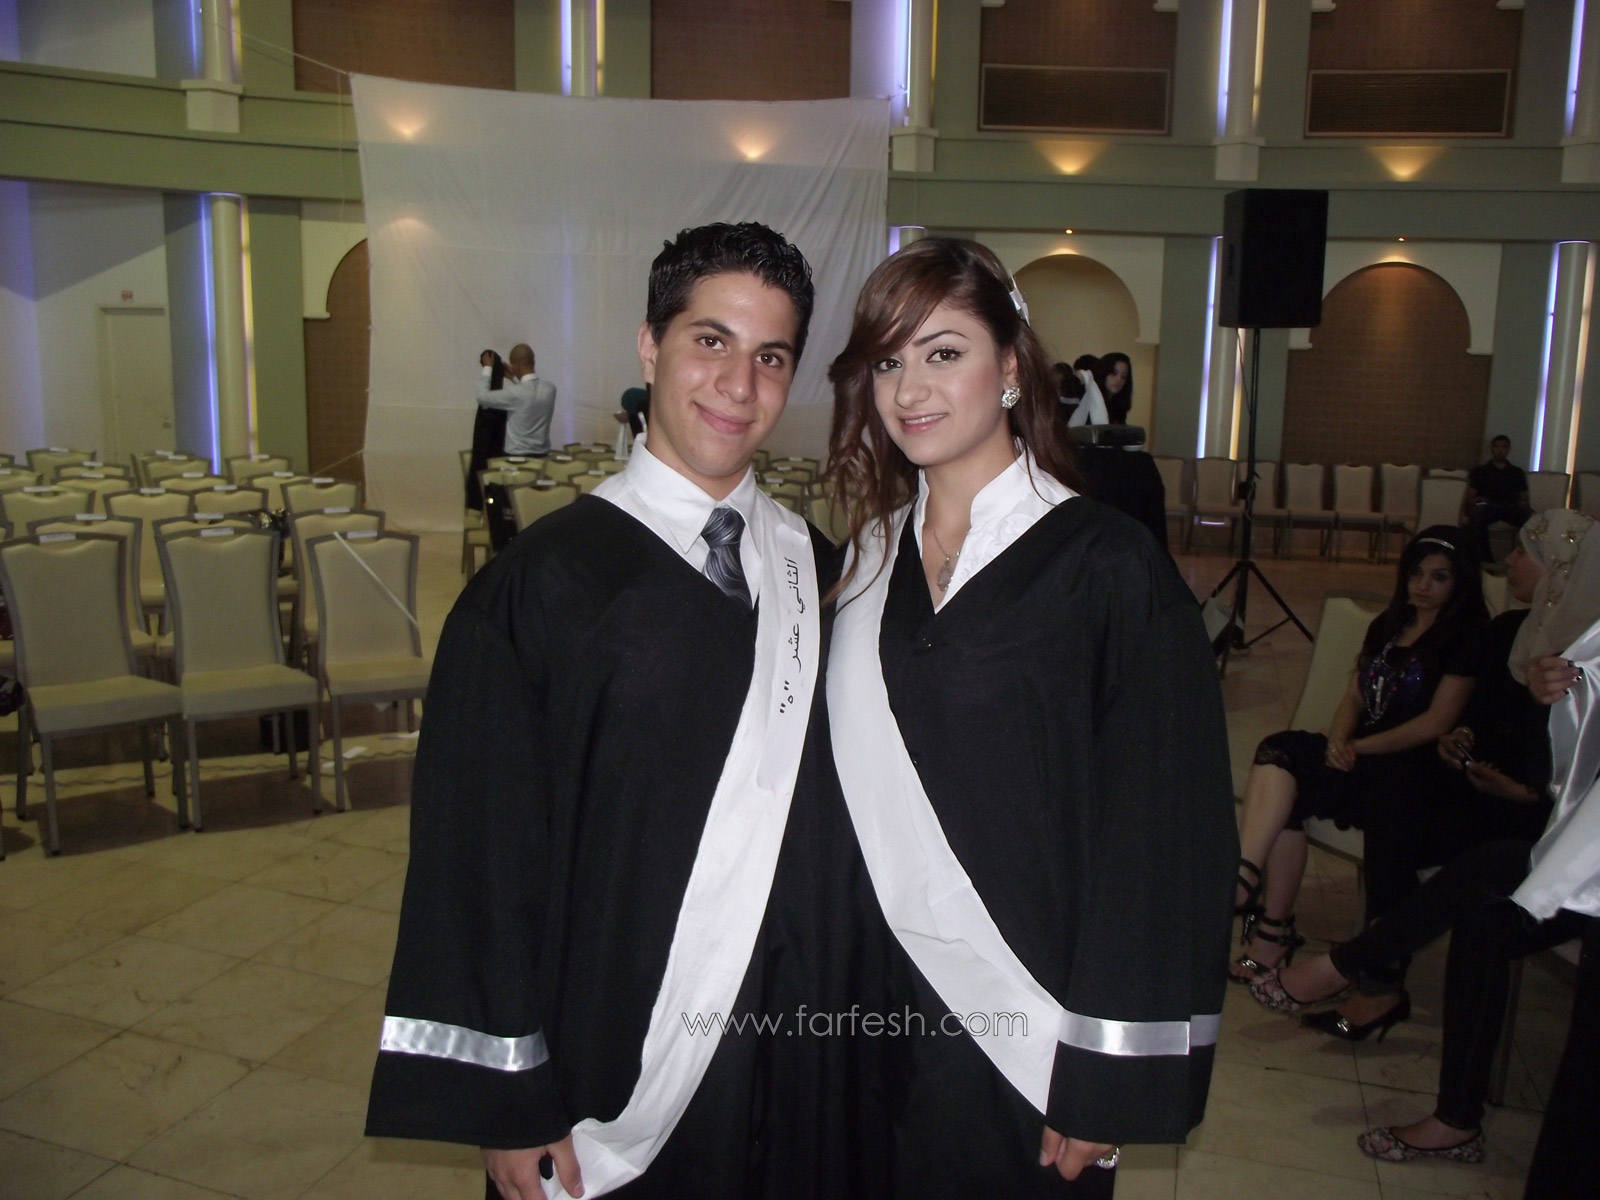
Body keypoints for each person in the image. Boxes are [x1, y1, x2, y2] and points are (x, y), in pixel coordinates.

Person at [368, 223, 892, 1200]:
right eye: (710, 341)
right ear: (650, 346)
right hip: (609, 1048)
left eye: (770, 357)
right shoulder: (538, 589)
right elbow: (477, 860)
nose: (739, 385)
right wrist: (510, 1096)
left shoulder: (815, 571)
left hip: (790, 1040)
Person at [823, 236, 1236, 1198]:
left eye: (944, 353)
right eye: (887, 362)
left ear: (1011, 366)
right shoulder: (864, 561)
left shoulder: (1107, 566)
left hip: (1027, 1024)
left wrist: (1110, 1070)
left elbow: (1164, 830)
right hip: (860, 1015)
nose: (909, 390)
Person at [1244, 512, 1600, 1179]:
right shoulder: (1511, 633)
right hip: (1484, 791)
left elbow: (1570, 780)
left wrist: (1521, 788)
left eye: (1525, 552)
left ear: (1564, 572)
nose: (1510, 562)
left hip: (1542, 824)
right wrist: (1459, 747)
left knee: (1437, 844)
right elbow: (1465, 720)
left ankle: (1356, 969)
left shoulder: (1585, 659)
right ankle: (1361, 975)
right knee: (1386, 800)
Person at [1231, 526, 1486, 985]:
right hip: (1360, 750)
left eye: (1439, 577)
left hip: (1414, 764)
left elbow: (1436, 723)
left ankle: (1270, 921)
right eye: (1416, 573)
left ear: (1460, 582)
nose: (1422, 586)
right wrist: (1339, 737)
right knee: (1281, 752)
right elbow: (1355, 694)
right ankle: (1255, 895)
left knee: (1368, 794)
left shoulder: (1464, 638)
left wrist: (1357, 746)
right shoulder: (1389, 624)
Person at [477, 342, 557, 458]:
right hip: (542, 458)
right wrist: (513, 378)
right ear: (533, 361)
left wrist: (487, 368)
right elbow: (528, 397)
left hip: (517, 459)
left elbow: (482, 397)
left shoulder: (514, 392)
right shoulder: (550, 389)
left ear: (516, 364)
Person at [1463, 435, 1531, 562]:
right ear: (1492, 448)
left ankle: (1523, 559)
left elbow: (1524, 497)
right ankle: (1486, 560)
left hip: (1511, 507)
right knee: (1476, 519)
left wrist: (1523, 506)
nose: (1500, 450)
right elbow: (1471, 496)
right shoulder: (1480, 471)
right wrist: (1474, 503)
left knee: (1533, 520)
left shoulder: (1516, 472)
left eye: (1504, 447)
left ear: (1508, 449)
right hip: (1488, 507)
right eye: (1497, 447)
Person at [467, 348, 508, 510]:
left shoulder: (491, 401)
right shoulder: (504, 399)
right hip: (498, 462)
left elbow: (483, 397)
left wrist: (487, 368)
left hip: (484, 460)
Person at [1093, 352, 1132, 426]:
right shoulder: (1092, 400)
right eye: (1114, 373)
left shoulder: (1118, 407)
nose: (1119, 379)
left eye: (1123, 376)